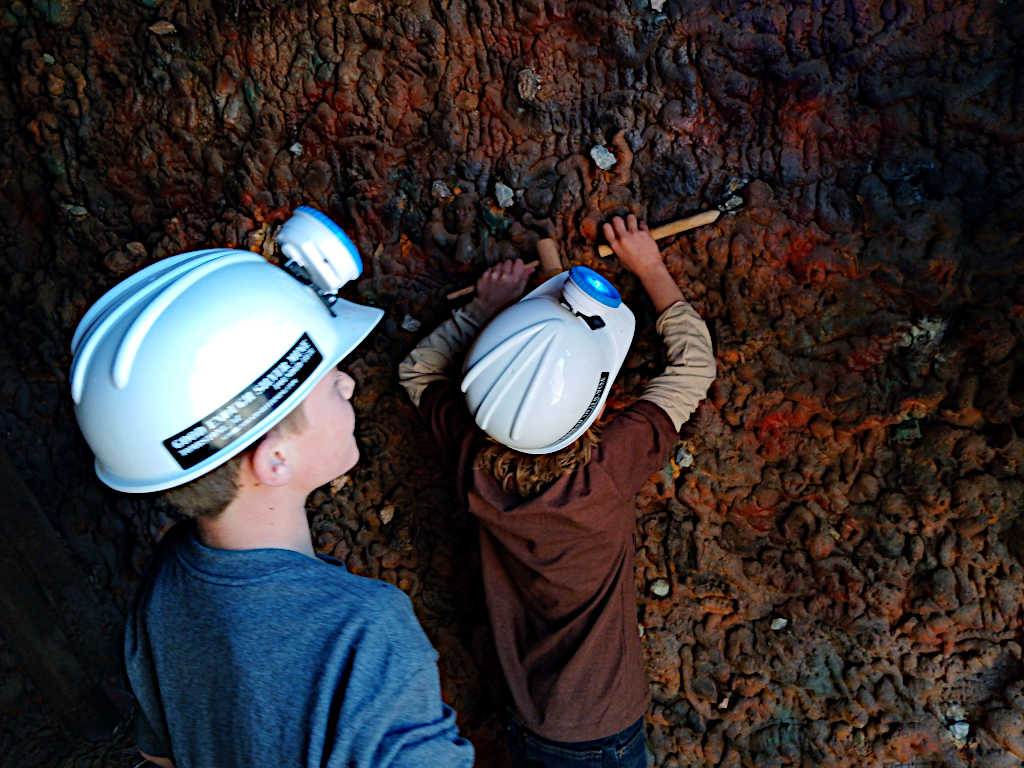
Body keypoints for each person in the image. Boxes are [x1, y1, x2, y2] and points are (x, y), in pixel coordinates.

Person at [69, 207, 473, 768]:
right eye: (325, 377)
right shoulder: (365, 635)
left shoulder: (169, 583)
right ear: (274, 460)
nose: (347, 380)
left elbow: (161, 757)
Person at [398, 214, 716, 767]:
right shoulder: (606, 471)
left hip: (526, 720)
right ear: (592, 410)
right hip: (602, 732)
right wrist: (651, 267)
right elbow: (693, 366)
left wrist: (483, 310)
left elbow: (417, 370)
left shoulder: (473, 458)